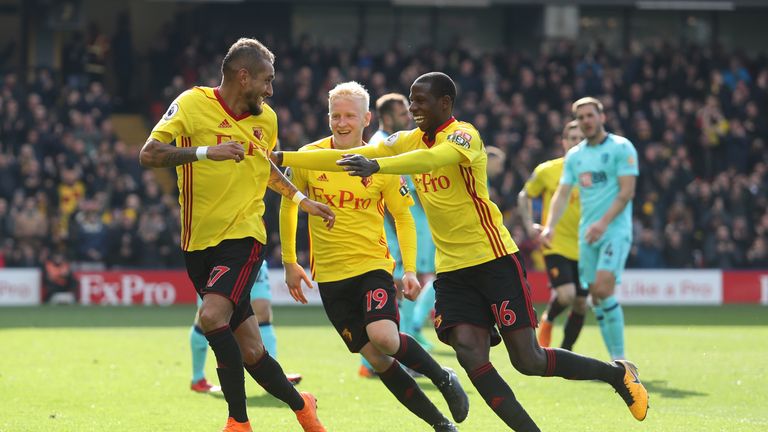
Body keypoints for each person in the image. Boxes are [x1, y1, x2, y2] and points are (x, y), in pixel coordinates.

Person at [272, 73, 648, 430]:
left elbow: (432, 160)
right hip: (451, 268)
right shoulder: (408, 139)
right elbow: (345, 156)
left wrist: (378, 164)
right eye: (411, 102)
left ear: (445, 102)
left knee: (528, 360)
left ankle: (616, 374)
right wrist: (284, 157)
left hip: (493, 257)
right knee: (470, 354)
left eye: (420, 101)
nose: (413, 109)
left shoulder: (464, 136)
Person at [139, 38, 334, 432]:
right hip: (197, 243)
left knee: (212, 317)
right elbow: (149, 153)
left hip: (245, 237)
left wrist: (301, 198)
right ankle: (303, 407)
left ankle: (238, 422)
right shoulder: (193, 104)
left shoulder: (268, 120)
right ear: (243, 77)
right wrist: (204, 152)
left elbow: (267, 170)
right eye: (267, 80)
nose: (271, 90)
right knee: (251, 351)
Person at [279, 81, 467, 432]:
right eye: (336, 115)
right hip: (331, 278)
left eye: (350, 115)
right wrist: (290, 261)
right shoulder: (308, 157)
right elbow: (289, 205)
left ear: (366, 118)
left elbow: (403, 216)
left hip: (372, 267)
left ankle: (443, 378)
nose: (342, 122)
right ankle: (440, 425)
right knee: (378, 361)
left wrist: (409, 269)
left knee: (384, 337)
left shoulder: (381, 162)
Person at [542, 97, 639, 362]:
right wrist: (550, 226)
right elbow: (562, 195)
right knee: (595, 298)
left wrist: (603, 223)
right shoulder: (575, 156)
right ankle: (617, 363)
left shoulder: (621, 148)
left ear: (601, 117)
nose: (586, 121)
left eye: (590, 115)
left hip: (613, 230)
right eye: (581, 117)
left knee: (603, 291)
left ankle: (622, 363)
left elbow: (627, 191)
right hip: (588, 234)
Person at [358, 93, 437, 380]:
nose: (408, 117)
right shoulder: (381, 147)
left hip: (404, 231)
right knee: (393, 295)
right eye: (403, 113)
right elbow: (390, 203)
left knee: (398, 296)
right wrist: (399, 245)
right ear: (387, 117)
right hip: (390, 235)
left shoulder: (397, 144)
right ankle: (387, 361)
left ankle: (377, 362)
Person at [518, 120, 587, 351]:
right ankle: (548, 320)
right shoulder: (548, 170)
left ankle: (566, 353)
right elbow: (524, 195)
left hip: (586, 245)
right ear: (564, 142)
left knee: (581, 303)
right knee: (567, 295)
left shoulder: (595, 173)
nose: (577, 142)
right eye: (573, 138)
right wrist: (529, 225)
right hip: (554, 241)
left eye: (582, 138)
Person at [189, 261, 301, 393]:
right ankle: (198, 378)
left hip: (252, 255)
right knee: (209, 318)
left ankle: (275, 376)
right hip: (218, 258)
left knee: (263, 312)